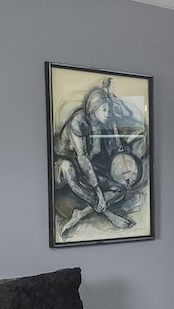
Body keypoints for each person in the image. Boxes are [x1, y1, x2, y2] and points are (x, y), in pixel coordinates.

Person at [53, 80, 144, 236]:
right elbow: (82, 158)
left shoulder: (102, 123)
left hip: (86, 168)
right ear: (94, 108)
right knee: (67, 169)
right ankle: (107, 213)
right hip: (63, 163)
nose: (108, 113)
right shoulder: (78, 122)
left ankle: (80, 213)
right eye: (104, 109)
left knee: (120, 189)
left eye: (108, 109)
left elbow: (110, 148)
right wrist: (98, 191)